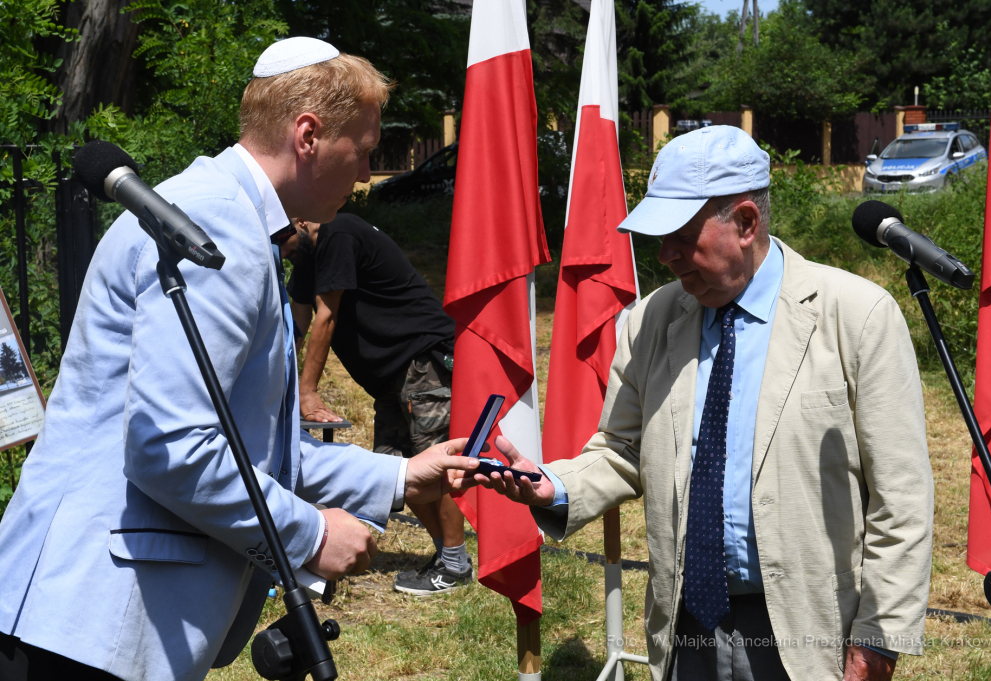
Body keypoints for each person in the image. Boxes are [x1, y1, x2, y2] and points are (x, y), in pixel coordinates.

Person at [0, 38, 479, 681]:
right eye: (363, 151)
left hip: (92, 621)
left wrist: (398, 479)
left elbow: (248, 443)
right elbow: (172, 446)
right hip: (89, 623)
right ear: (308, 134)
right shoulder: (218, 222)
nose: (367, 173)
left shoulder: (224, 214)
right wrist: (309, 534)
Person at [473, 126, 934, 681]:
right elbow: (622, 449)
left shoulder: (856, 316)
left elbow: (901, 497)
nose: (664, 256)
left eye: (680, 236)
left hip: (810, 630)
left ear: (745, 223)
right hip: (687, 624)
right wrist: (555, 485)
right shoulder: (650, 321)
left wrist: (877, 638)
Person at [279, 214, 471, 595]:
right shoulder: (305, 254)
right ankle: (445, 555)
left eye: (281, 239)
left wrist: (307, 391)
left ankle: (456, 563)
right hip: (389, 376)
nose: (280, 251)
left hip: (421, 361)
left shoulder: (336, 234)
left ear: (299, 221)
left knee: (432, 461)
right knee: (400, 469)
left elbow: (326, 317)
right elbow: (297, 323)